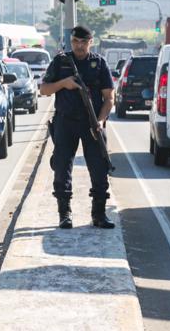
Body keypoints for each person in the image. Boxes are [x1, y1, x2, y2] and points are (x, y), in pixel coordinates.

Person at [40, 26, 115, 230]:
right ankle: (64, 214)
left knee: (99, 168)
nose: (79, 46)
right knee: (62, 168)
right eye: (75, 42)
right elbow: (44, 89)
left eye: (83, 42)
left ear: (91, 41)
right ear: (71, 41)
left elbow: (109, 98)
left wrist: (99, 122)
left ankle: (99, 214)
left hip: (92, 124)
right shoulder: (61, 62)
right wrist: (63, 83)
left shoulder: (99, 63)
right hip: (66, 122)